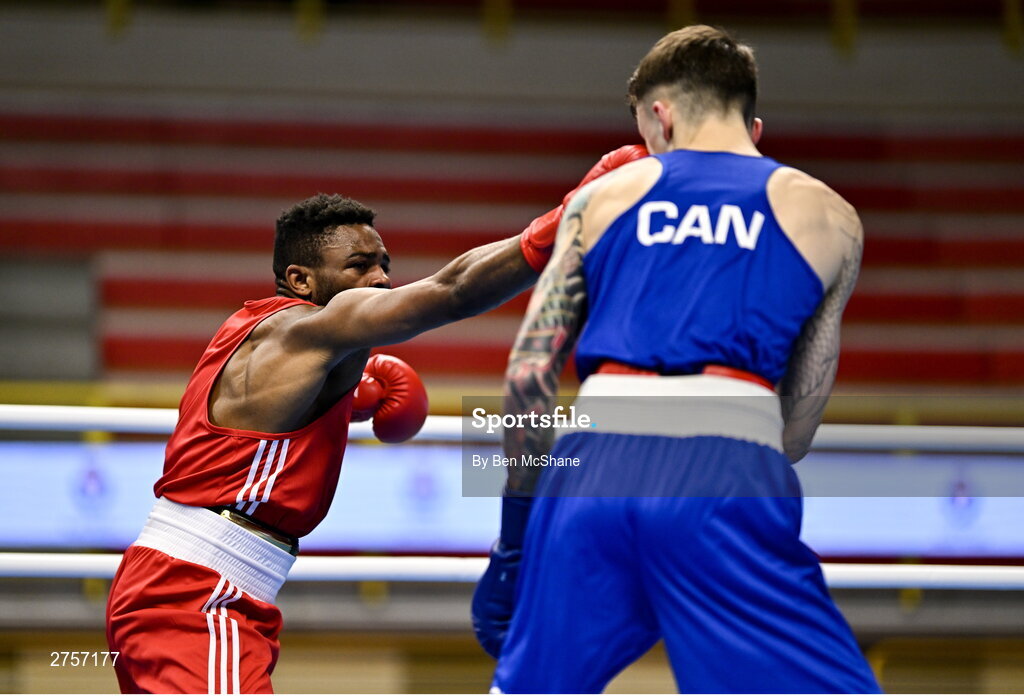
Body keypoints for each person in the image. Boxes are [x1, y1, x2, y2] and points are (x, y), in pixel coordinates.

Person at [105, 140, 645, 695]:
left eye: (385, 265)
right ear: (301, 281)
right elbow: (451, 290)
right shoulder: (307, 328)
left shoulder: (252, 334)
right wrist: (569, 219)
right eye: (359, 267)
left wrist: (346, 401)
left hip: (197, 588)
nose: (382, 280)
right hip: (193, 595)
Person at [473, 25, 883, 693]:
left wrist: (516, 539)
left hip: (592, 466)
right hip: (726, 464)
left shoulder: (602, 198)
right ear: (753, 123)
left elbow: (527, 378)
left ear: (659, 117)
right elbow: (797, 430)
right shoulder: (831, 216)